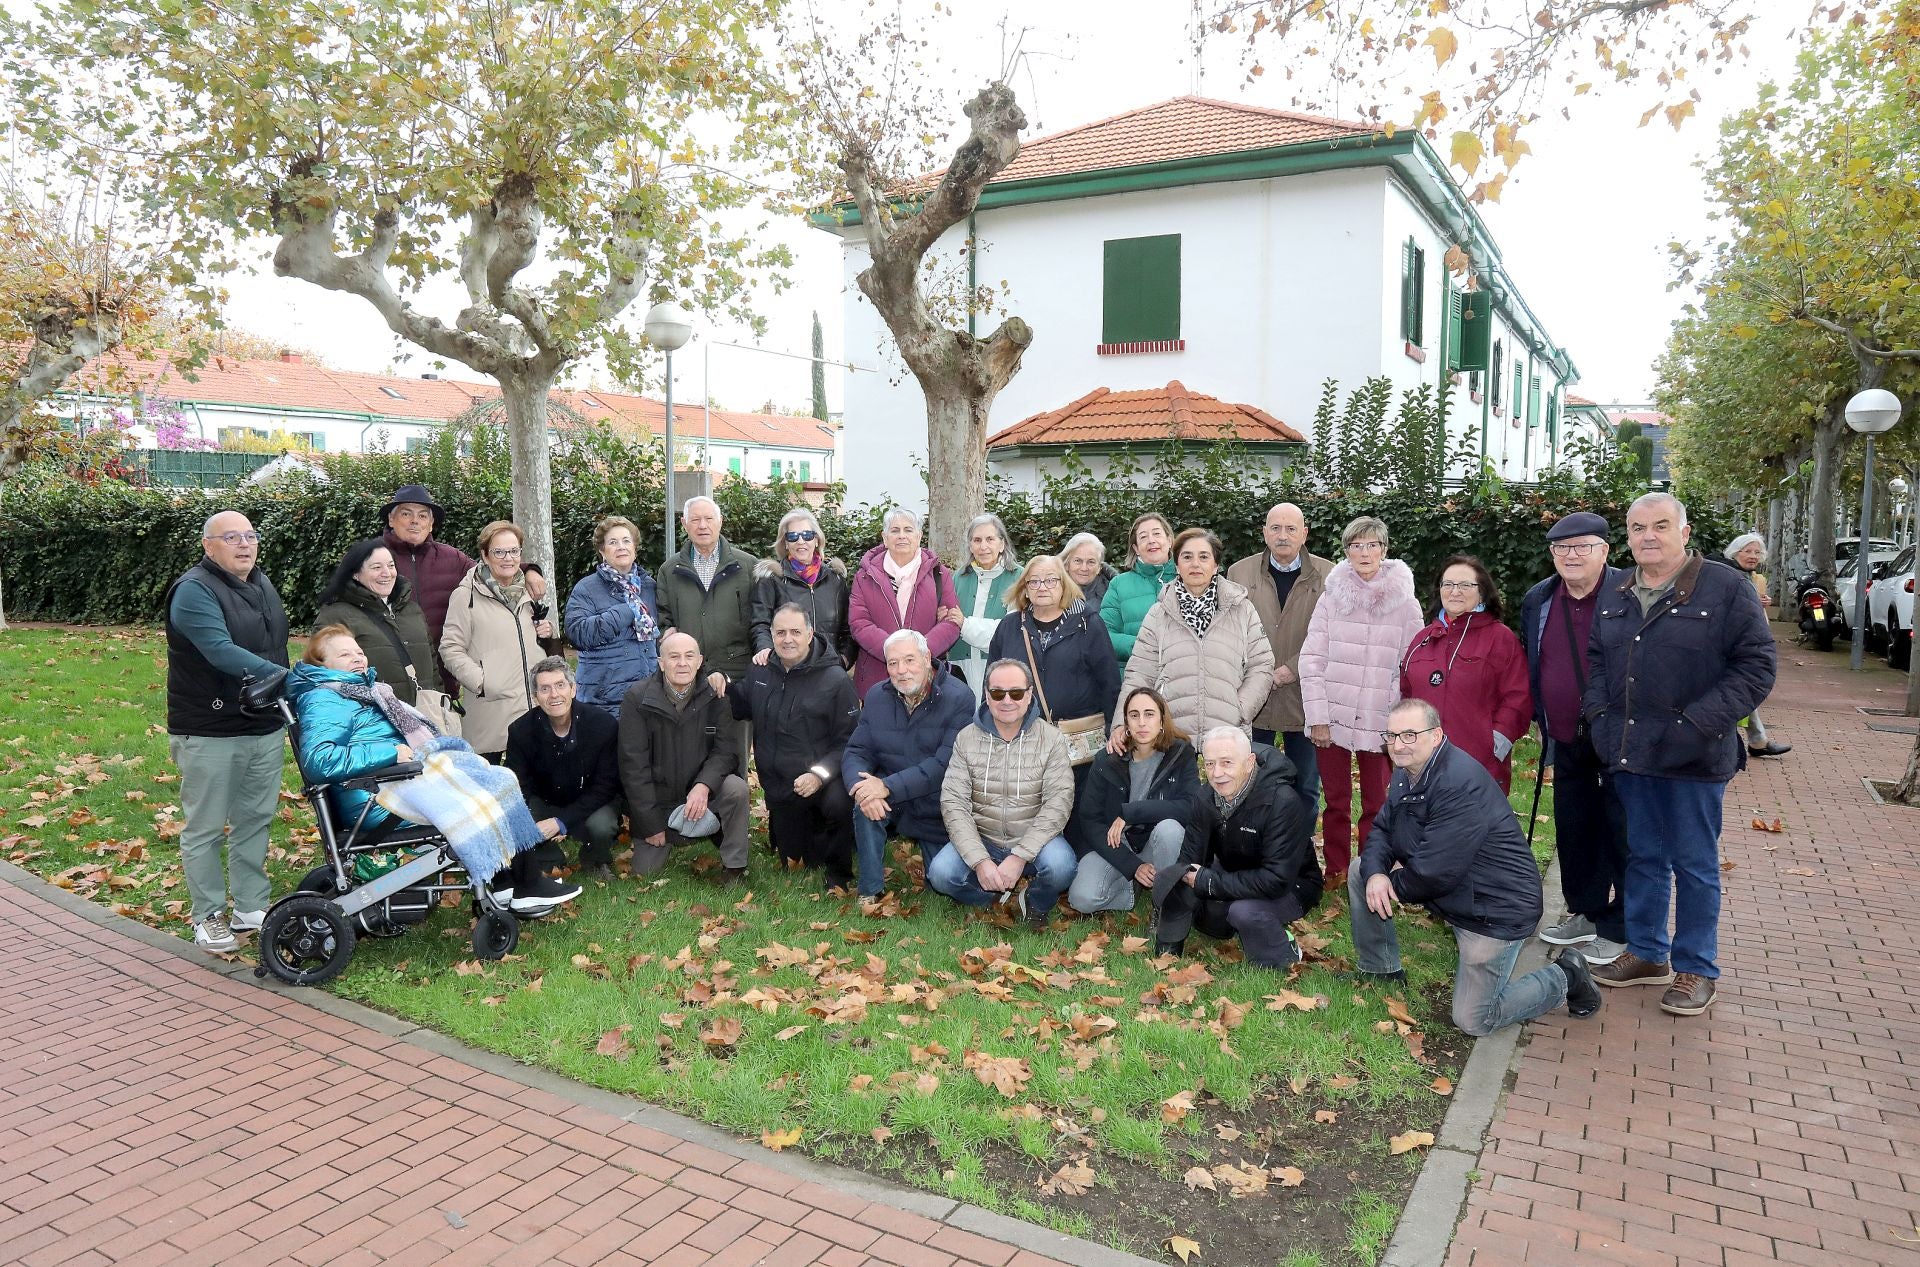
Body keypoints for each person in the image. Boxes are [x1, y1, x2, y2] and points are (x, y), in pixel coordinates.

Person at [1586, 493, 1776, 1016]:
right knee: (1644, 856)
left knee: (1694, 864)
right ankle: (1648, 953)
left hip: (1694, 757)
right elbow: (1598, 663)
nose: (1648, 536)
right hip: (1631, 753)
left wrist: (1695, 725)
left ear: (1684, 532)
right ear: (1627, 536)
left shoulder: (1726, 587)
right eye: (1638, 527)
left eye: (1661, 525)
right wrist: (1599, 719)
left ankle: (1697, 967)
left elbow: (1756, 667)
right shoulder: (1617, 591)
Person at [1350, 700, 1601, 1034]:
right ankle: (1380, 968)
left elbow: (1433, 874)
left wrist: (1388, 883)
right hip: (1455, 891)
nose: (1398, 745)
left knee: (1473, 1020)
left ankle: (1567, 975)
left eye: (1409, 735)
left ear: (1436, 736)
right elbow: (1383, 828)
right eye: (1392, 736)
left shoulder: (1458, 783)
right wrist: (1376, 875)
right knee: (1362, 871)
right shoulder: (1408, 771)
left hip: (1494, 909)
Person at [291, 627, 579, 914]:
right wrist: (390, 753)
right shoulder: (324, 699)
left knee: (496, 778)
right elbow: (319, 761)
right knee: (490, 791)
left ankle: (506, 882)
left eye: (359, 652)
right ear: (322, 664)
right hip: (373, 800)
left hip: (391, 784)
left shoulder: (358, 692)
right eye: (345, 654)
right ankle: (527, 884)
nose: (358, 658)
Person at [164, 511, 290, 951]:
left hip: (263, 723)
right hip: (210, 729)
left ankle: (250, 906)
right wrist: (286, 678)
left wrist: (283, 683)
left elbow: (274, 645)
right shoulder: (193, 590)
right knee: (206, 827)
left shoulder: (260, 583)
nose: (244, 544)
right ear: (208, 545)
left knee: (255, 819)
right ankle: (208, 915)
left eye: (250, 536)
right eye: (232, 537)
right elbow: (219, 650)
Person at [1520, 512, 1633, 966]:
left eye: (1582, 546)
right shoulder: (1539, 598)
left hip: (1621, 738)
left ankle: (1621, 926)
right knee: (1574, 829)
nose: (1571, 555)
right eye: (1561, 548)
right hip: (1566, 735)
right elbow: (1536, 658)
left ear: (1604, 551)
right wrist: (1538, 715)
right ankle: (1585, 910)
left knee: (1623, 833)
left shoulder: (1631, 593)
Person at [1298, 516, 1423, 885]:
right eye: (1356, 545)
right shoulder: (1330, 598)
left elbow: (1412, 666)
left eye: (1371, 545)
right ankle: (1336, 869)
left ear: (1384, 549)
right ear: (1346, 551)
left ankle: (1372, 869)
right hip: (1333, 715)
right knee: (1335, 801)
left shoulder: (1405, 603)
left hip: (1380, 719)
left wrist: (1397, 722)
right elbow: (1311, 658)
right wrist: (1318, 717)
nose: (1364, 553)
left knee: (1376, 802)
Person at [718, 604, 859, 892]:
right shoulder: (760, 671)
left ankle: (840, 872)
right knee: (796, 860)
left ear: (810, 634)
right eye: (780, 633)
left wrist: (818, 775)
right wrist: (723, 683)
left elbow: (849, 741)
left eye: (795, 632)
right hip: (782, 787)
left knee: (839, 803)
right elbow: (740, 705)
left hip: (823, 782)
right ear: (771, 636)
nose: (788, 639)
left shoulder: (835, 680)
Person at [930, 659, 1078, 930]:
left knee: (1062, 867)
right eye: (998, 693)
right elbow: (953, 803)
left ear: (1029, 694)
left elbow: (1058, 803)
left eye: (1016, 693)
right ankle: (989, 898)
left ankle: (1035, 901)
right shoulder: (966, 738)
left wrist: (1020, 856)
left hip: (1035, 839)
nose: (1007, 700)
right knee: (940, 875)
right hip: (983, 837)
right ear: (987, 695)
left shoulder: (1051, 739)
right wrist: (980, 861)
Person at [1156, 728, 1322, 967]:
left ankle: (1283, 951)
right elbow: (1189, 860)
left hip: (1292, 885)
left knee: (1243, 913)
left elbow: (1276, 881)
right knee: (1212, 919)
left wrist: (1210, 882)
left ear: (1249, 762)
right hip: (1234, 870)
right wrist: (1170, 935)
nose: (1217, 773)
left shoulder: (1282, 801)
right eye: (1210, 764)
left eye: (1227, 763)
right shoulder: (1205, 796)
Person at [842, 630, 974, 901]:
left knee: (942, 881)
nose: (901, 670)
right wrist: (861, 788)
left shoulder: (959, 697)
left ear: (927, 658)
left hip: (937, 804)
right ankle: (870, 890)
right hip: (894, 800)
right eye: (893, 663)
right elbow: (857, 750)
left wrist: (886, 786)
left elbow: (944, 765)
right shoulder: (877, 696)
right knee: (865, 806)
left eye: (909, 660)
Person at [1112, 527, 1272, 745]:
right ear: (1177, 566)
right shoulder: (1159, 614)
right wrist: (1121, 723)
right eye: (1187, 557)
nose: (1195, 564)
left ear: (1215, 566)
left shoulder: (1242, 610)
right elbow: (1139, 672)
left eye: (1203, 557)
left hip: (1227, 734)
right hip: (1171, 735)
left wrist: (1241, 709)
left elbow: (1261, 665)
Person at [379, 484, 544, 694]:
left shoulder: (452, 558)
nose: (414, 521)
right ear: (391, 519)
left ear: (431, 524)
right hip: (387, 679)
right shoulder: (372, 557)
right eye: (406, 514)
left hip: (440, 681)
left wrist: (529, 570)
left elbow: (490, 570)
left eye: (422, 515)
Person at [617, 630, 751, 881]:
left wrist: (703, 786)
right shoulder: (637, 699)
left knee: (736, 788)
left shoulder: (716, 696)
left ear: (699, 661)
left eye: (689, 656)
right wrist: (651, 824)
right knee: (645, 872)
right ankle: (679, 832)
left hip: (702, 796)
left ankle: (735, 867)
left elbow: (725, 752)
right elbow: (633, 768)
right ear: (661, 663)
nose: (682, 663)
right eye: (674, 656)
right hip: (658, 801)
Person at [1226, 502, 1333, 807]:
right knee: (1247, 783)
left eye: (1290, 529)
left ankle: (1299, 838)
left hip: (1305, 697)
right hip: (1252, 698)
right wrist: (1260, 673)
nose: (1282, 535)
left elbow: (1332, 634)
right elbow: (1230, 631)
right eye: (1275, 528)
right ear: (1264, 533)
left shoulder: (1329, 575)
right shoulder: (1238, 573)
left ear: (1305, 533)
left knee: (1305, 787)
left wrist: (1291, 669)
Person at [987, 552, 1120, 793]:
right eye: (1034, 581)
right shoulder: (1009, 626)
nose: (1042, 587)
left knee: (1080, 808)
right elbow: (991, 684)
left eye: (1050, 580)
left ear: (1063, 584)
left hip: (1080, 746)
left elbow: (1109, 682)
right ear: (1025, 588)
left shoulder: (1088, 623)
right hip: (1024, 742)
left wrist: (1115, 727)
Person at [1400, 555, 1533, 792]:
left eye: (1465, 585)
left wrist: (1496, 742)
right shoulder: (1423, 639)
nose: (1455, 592)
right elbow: (1406, 693)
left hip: (1479, 763)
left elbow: (1518, 697)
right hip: (1422, 762)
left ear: (1482, 592)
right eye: (1448, 584)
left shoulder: (1500, 639)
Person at [1066, 687, 1196, 916]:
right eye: (1134, 715)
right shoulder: (1107, 760)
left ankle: (1165, 903)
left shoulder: (1180, 753)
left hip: (1157, 844)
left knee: (1170, 829)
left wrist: (1132, 812)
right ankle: (1133, 887)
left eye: (1149, 714)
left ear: (1162, 720)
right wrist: (1133, 867)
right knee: (1082, 899)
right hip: (1116, 845)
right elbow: (1090, 820)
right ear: (1126, 722)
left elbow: (1190, 806)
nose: (1141, 723)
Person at [439, 521, 556, 761]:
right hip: (491, 712)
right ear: (485, 555)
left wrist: (548, 631)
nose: (508, 558)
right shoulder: (465, 595)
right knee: (491, 780)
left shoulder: (530, 591)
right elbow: (450, 648)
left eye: (513, 551)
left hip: (534, 708)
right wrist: (483, 682)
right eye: (499, 552)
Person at [505, 657, 624, 881]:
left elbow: (606, 786)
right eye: (545, 689)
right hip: (545, 799)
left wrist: (561, 821)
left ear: (573, 689)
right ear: (535, 696)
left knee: (602, 825)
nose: (554, 695)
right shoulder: (520, 731)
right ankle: (549, 859)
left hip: (593, 800)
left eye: (560, 685)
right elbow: (517, 785)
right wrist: (536, 819)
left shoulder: (603, 724)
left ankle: (595, 859)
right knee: (521, 819)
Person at [848, 507, 962, 699]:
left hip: (925, 679)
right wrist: (894, 653)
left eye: (908, 530)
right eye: (895, 530)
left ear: (919, 536)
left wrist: (919, 653)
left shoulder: (939, 574)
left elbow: (952, 622)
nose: (902, 535)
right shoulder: (864, 576)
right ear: (885, 538)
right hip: (877, 680)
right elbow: (859, 623)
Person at [313, 539, 437, 707]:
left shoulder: (412, 610)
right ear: (355, 574)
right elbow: (322, 675)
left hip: (424, 714)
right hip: (372, 717)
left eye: (391, 566)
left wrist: (438, 701)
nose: (387, 573)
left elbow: (433, 665)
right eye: (376, 567)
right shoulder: (335, 616)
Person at [564, 515, 660, 716]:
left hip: (647, 698)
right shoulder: (586, 588)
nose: (621, 547)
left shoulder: (649, 586)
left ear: (635, 547)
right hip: (603, 701)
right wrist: (624, 611)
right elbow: (577, 634)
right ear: (602, 551)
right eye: (613, 542)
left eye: (626, 541)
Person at [751, 508, 851, 666]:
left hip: (829, 669)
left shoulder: (836, 580)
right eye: (793, 536)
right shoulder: (771, 580)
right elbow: (760, 624)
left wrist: (843, 660)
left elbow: (849, 629)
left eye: (807, 535)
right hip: (787, 669)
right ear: (785, 543)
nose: (800, 541)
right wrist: (765, 650)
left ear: (816, 540)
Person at [1723, 533, 1790, 758]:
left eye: (1757, 552)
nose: (1753, 556)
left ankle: (1757, 741)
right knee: (1740, 691)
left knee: (1745, 690)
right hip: (1731, 643)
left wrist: (1762, 603)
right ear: (1735, 552)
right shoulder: (1728, 574)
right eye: (1748, 551)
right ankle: (1752, 741)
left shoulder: (1754, 578)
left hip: (1749, 642)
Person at [953, 513, 1021, 701]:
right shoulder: (958, 577)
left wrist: (964, 624)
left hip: (1002, 670)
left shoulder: (1019, 578)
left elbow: (1009, 632)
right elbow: (947, 622)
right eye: (977, 540)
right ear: (970, 545)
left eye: (990, 539)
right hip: (961, 668)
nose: (983, 546)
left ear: (1002, 544)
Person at [1101, 512, 1176, 670]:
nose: (1151, 540)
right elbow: (1104, 634)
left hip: (1182, 675)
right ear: (1136, 548)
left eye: (1157, 533)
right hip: (1134, 675)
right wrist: (1142, 647)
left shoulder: (1189, 579)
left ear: (1169, 541)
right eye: (1143, 537)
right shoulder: (1119, 584)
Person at [1061, 532, 1115, 611]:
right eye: (1078, 561)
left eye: (1091, 562)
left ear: (1099, 567)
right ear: (1066, 564)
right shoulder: (1050, 592)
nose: (1084, 568)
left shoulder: (1114, 595)